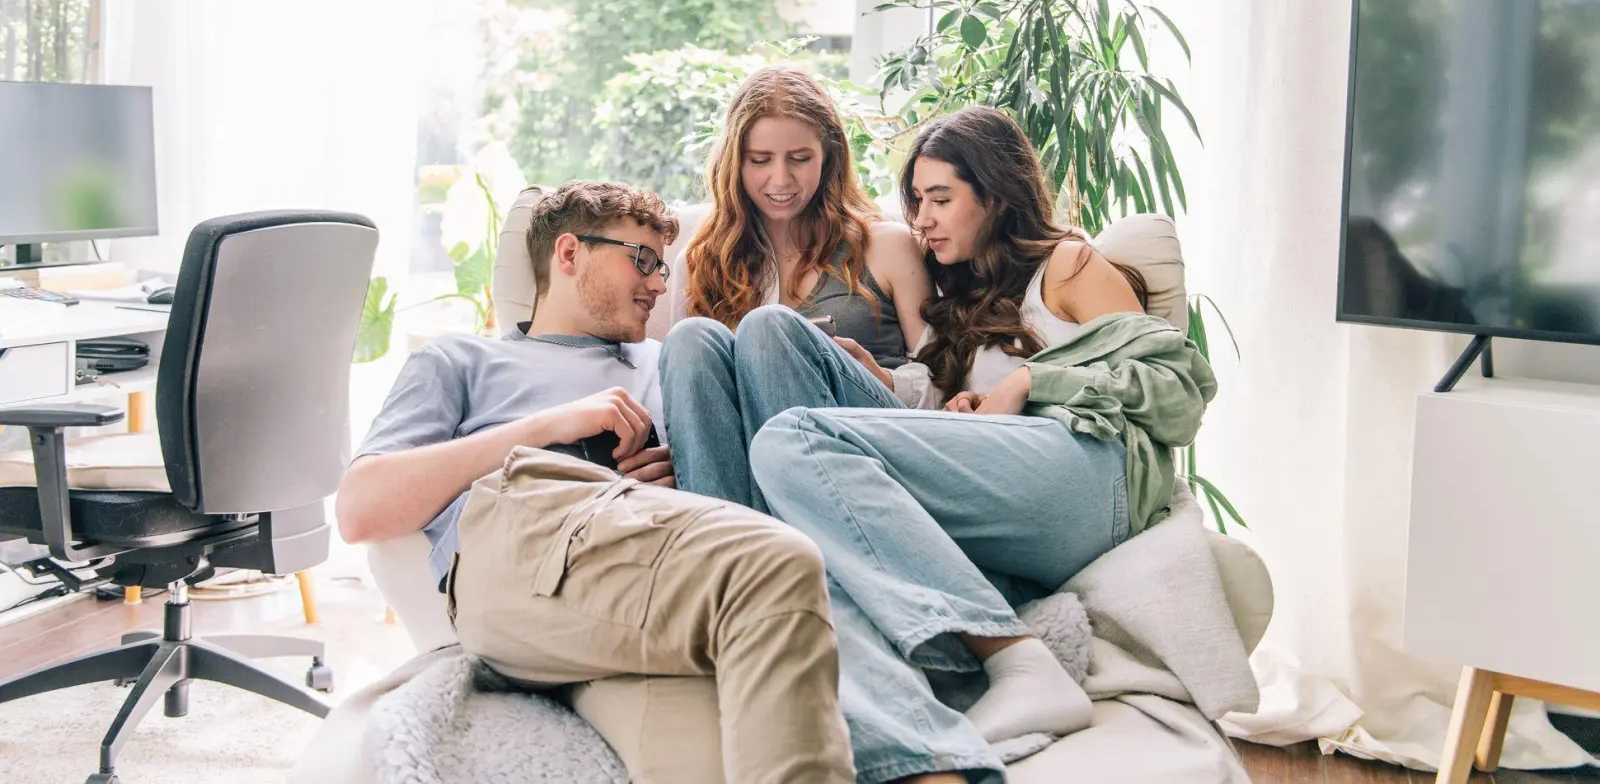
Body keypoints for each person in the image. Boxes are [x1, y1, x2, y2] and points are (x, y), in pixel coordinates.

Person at [747, 107, 1218, 784]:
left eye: (941, 199)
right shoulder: (959, 299)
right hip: (1019, 498)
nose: (922, 220)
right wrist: (899, 387)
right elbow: (961, 426)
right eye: (916, 201)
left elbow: (1180, 385)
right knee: (808, 504)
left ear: (995, 198)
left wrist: (1031, 380)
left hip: (1095, 478)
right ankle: (910, 719)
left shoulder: (1067, 265)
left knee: (793, 438)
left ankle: (1019, 661)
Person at [336, 180, 854, 784]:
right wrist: (547, 428)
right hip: (524, 529)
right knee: (781, 563)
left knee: (707, 744)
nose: (660, 285)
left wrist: (683, 469)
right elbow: (359, 509)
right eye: (641, 260)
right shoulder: (461, 360)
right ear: (569, 254)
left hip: (656, 557)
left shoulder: (675, 361)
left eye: (662, 268)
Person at [661, 66, 933, 511]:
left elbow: (947, 381)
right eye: (761, 160)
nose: (782, 181)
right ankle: (729, 551)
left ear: (828, 156)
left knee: (770, 329)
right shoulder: (701, 260)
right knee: (691, 339)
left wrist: (883, 379)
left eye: (800, 158)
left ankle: (802, 535)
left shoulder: (887, 244)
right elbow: (690, 396)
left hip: (866, 437)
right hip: (746, 463)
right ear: (736, 161)